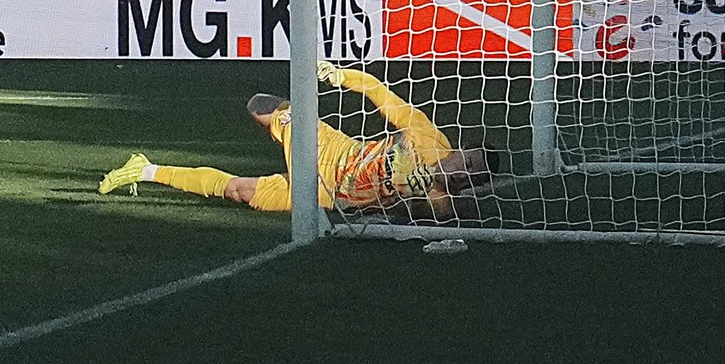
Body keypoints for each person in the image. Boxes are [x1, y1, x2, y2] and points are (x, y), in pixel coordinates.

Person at [97, 62, 496, 219]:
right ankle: (288, 115)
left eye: (471, 173)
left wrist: (426, 194)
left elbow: (418, 217)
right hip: (336, 150)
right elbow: (382, 95)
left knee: (239, 191)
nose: (464, 166)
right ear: (461, 148)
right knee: (260, 107)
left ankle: (146, 169)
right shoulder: (429, 136)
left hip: (327, 193)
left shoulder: (442, 199)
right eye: (470, 158)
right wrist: (344, 77)